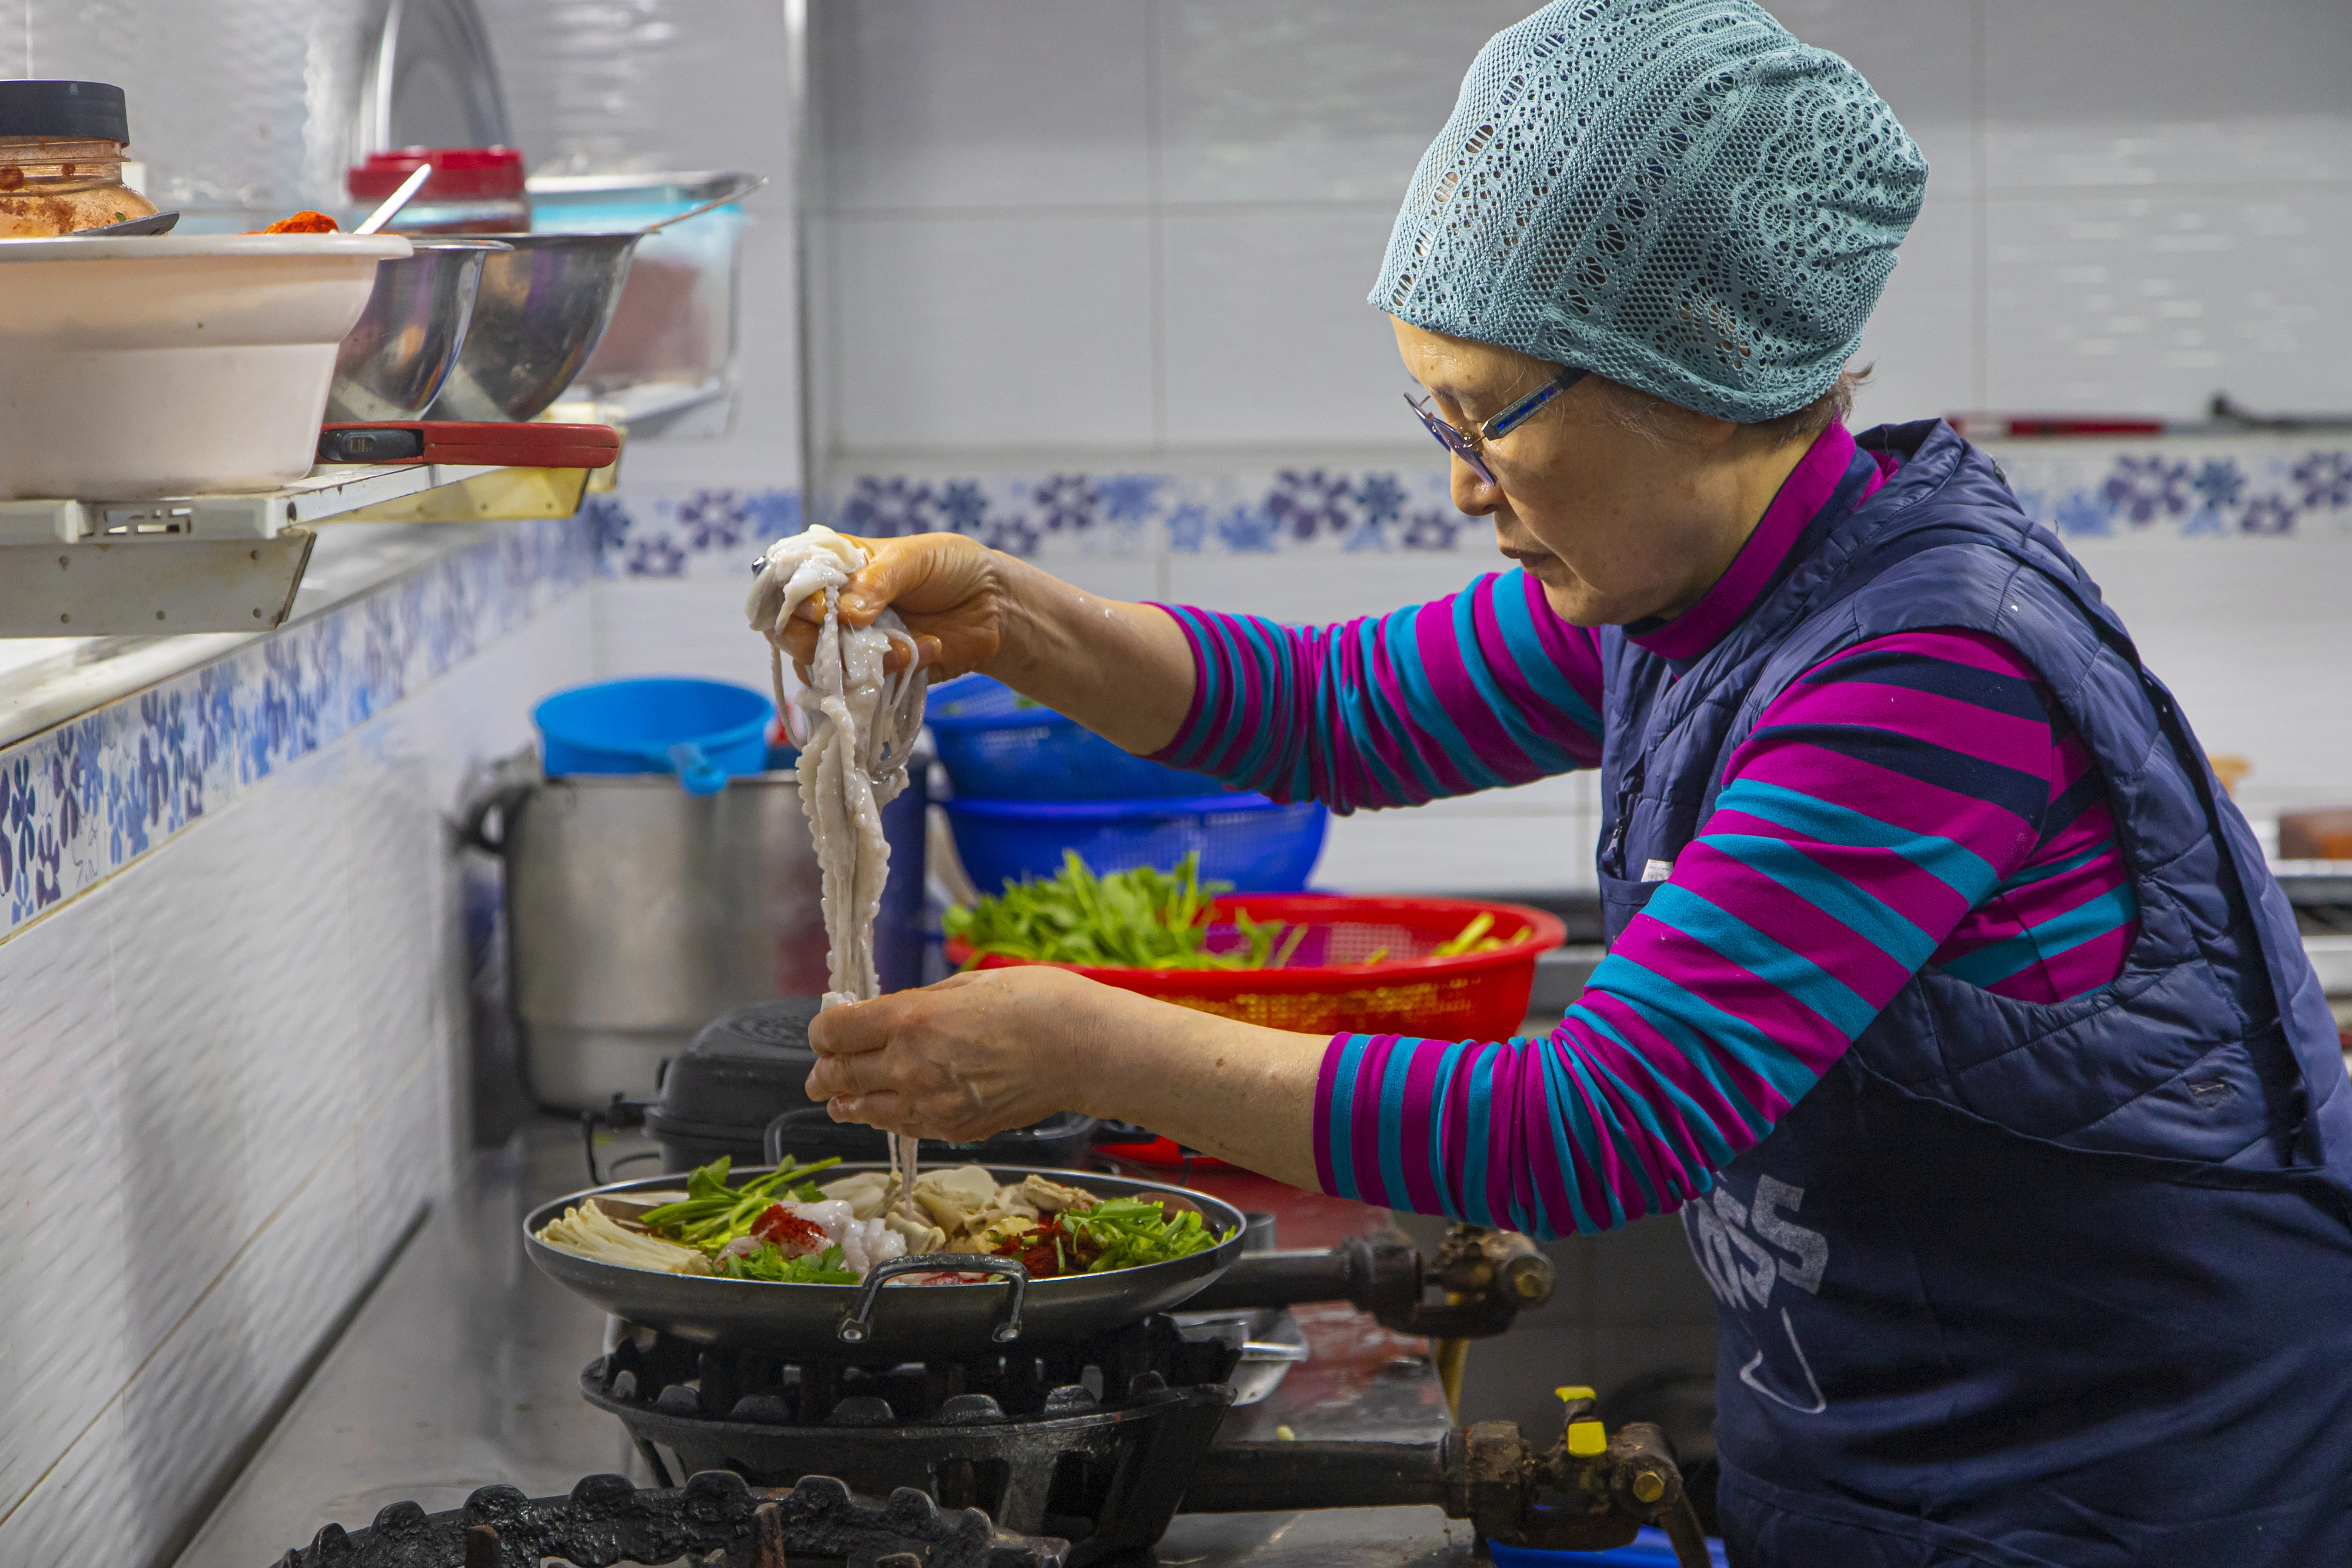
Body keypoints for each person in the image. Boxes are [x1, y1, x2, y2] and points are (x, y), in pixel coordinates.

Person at [785, 3, 2352, 1562]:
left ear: (1697, 380)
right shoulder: (1686, 588)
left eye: (1491, 419)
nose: (1463, 480)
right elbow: (1335, 711)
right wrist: (1013, 618)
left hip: (2135, 1497)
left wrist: (1081, 1041)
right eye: (1436, 414)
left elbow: (1593, 1126)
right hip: (1895, 1466)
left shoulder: (1921, 665)